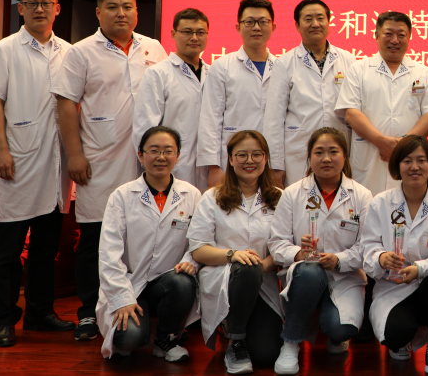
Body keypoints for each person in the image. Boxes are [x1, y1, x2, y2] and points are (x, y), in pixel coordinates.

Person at [53, 0, 167, 340]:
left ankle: (139, 307)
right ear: (99, 12)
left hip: (148, 161)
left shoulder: (153, 48)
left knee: (143, 236)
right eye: (113, 7)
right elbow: (66, 104)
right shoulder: (81, 52)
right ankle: (89, 311)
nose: (122, 13)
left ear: (137, 11)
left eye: (128, 7)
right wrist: (75, 155)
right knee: (96, 236)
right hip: (99, 159)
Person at [0, 0, 74, 346]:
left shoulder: (69, 52)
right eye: (31, 3)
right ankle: (4, 319)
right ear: (20, 8)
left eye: (46, 3)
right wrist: (0, 149)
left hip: (56, 162)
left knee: (46, 248)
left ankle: (39, 313)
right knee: (8, 249)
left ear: (57, 8)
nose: (39, 9)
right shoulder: (4, 49)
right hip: (18, 159)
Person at [269, 127, 373, 374]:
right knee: (310, 272)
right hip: (305, 276)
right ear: (309, 157)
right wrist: (299, 254)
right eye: (319, 152)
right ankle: (291, 342)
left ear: (345, 156)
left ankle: (334, 335)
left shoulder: (362, 195)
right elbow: (277, 244)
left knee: (340, 328)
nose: (326, 158)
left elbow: (368, 246)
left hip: (345, 276)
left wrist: (338, 259)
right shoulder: (293, 194)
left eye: (333, 152)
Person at [360, 136, 428, 375]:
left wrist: (419, 269)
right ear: (397, 166)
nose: (414, 167)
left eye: (421, 160)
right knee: (394, 335)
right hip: (393, 287)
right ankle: (404, 337)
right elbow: (368, 248)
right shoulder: (380, 203)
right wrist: (381, 258)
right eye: (407, 161)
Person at [96, 126, 200, 361]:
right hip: (130, 282)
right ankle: (136, 329)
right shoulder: (122, 196)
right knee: (129, 340)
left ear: (177, 156)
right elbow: (109, 253)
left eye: (168, 151)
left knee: (183, 282)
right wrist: (122, 298)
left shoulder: (192, 195)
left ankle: (166, 340)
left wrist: (189, 261)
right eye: (153, 150)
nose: (161, 157)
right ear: (141, 155)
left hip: (168, 282)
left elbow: (199, 240)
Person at [189, 130, 284, 374]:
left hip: (263, 281)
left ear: (265, 158)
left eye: (256, 154)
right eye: (241, 155)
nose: (249, 161)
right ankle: (236, 340)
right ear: (230, 159)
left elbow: (285, 246)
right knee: (246, 268)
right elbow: (198, 249)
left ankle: (238, 327)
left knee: (266, 355)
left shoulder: (280, 198)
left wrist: (261, 267)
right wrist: (232, 255)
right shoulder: (212, 197)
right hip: (225, 281)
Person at [336, 11, 428, 196]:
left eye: (401, 35)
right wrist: (382, 142)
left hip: (409, 158)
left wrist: (402, 146)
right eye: (388, 34)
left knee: (406, 206)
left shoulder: (423, 72)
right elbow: (351, 113)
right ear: (376, 35)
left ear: (409, 37)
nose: (395, 40)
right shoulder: (358, 70)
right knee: (366, 206)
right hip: (369, 157)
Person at [264, 0, 354, 188]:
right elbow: (274, 119)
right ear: (297, 26)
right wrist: (275, 166)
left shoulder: (348, 60)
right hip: (299, 153)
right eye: (308, 19)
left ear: (328, 22)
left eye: (320, 18)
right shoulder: (284, 63)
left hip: (340, 152)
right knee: (301, 199)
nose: (315, 24)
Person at [198, 0, 281, 189]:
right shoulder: (222, 67)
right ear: (238, 27)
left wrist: (279, 165)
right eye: (249, 22)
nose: (256, 27)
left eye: (263, 22)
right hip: (232, 161)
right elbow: (210, 118)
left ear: (273, 27)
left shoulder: (282, 67)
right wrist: (213, 167)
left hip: (269, 162)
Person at [133, 8, 210, 190]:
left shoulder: (214, 74)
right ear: (173, 34)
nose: (194, 38)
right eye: (187, 32)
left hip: (208, 169)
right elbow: (145, 127)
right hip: (170, 169)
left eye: (200, 32)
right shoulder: (158, 74)